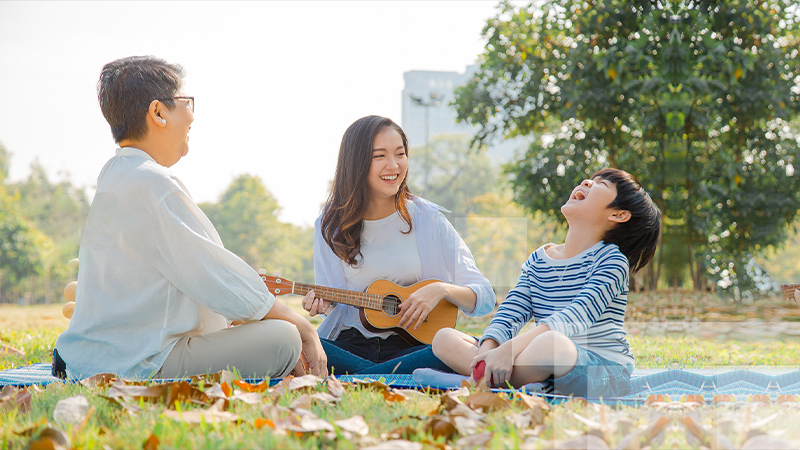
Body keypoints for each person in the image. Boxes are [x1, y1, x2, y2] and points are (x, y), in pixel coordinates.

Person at [55, 56, 326, 380]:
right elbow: (212, 272)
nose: (192, 115)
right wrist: (300, 324)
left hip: (95, 359)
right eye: (185, 102)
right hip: (142, 364)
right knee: (284, 338)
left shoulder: (116, 173)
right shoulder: (153, 184)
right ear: (158, 112)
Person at [431, 168, 661, 397]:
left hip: (599, 369)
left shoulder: (612, 261)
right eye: (590, 179)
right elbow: (511, 311)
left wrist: (509, 351)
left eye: (601, 184)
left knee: (551, 343)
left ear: (618, 215)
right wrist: (490, 349)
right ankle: (499, 376)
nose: (587, 182)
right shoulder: (540, 258)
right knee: (444, 338)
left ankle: (483, 380)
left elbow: (574, 316)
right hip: (537, 358)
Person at [301, 115, 495, 375]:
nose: (393, 165)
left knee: (446, 347)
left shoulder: (429, 221)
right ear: (355, 163)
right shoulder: (329, 225)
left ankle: (364, 376)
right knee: (294, 341)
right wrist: (323, 306)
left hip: (415, 348)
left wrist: (440, 290)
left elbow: (484, 297)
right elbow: (334, 307)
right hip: (350, 347)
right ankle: (389, 375)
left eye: (400, 154)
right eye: (379, 156)